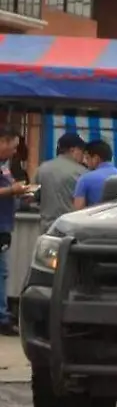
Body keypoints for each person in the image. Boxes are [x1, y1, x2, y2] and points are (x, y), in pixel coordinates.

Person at [0, 126, 34, 336]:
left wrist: (21, 195)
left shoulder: (4, 166)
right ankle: (2, 318)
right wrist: (12, 190)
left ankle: (2, 315)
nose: (14, 152)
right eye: (12, 147)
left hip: (4, 225)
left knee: (2, 272)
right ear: (2, 141)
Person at [33, 133, 87, 233]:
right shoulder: (83, 173)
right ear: (73, 150)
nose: (83, 156)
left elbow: (34, 196)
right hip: (71, 229)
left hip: (47, 229)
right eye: (82, 151)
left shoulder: (42, 168)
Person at [73, 140, 117, 209]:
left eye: (87, 158)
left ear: (96, 158)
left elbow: (78, 209)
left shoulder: (85, 179)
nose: (85, 162)